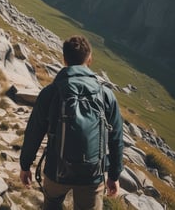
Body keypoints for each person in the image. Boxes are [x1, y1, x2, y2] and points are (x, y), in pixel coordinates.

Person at [19, 35, 124, 210]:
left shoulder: (51, 92)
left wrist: (25, 165)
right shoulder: (105, 95)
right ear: (89, 59)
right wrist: (114, 176)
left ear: (64, 59)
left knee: (52, 204)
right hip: (92, 175)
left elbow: (34, 132)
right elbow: (116, 139)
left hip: (56, 171)